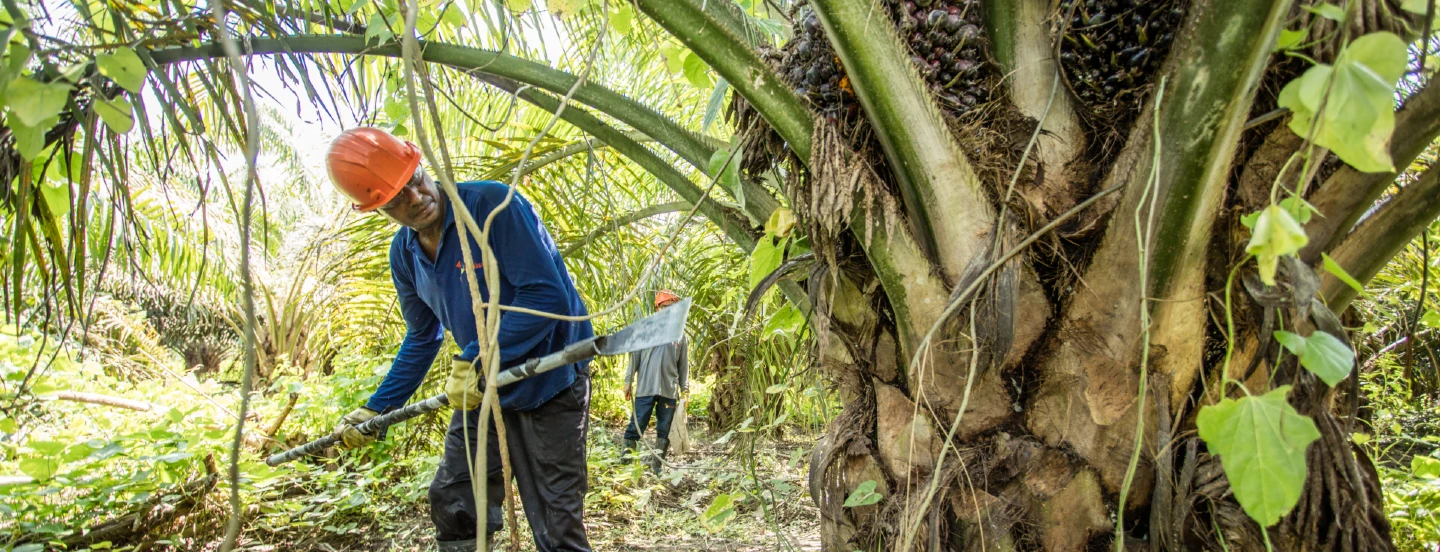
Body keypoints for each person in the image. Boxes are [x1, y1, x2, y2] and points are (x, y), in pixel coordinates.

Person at [324, 127, 594, 552]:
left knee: (555, 526)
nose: (416, 198)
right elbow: (422, 336)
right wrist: (377, 407)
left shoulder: (490, 207)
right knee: (454, 501)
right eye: (396, 198)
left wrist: (475, 358)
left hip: (549, 383)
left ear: (422, 166)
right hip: (484, 391)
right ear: (377, 208)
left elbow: (545, 295)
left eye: (415, 180)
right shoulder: (405, 254)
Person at [622, 290, 688, 473]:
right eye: (665, 307)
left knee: (664, 430)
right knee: (636, 426)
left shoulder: (680, 335)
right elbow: (634, 358)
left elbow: (683, 365)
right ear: (657, 308)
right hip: (646, 387)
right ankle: (626, 467)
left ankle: (657, 468)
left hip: (669, 389)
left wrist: (685, 389)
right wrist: (628, 381)